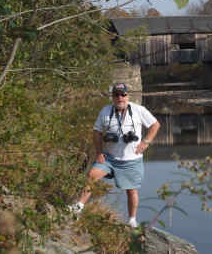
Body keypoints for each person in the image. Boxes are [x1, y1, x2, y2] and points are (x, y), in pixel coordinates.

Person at [69, 83, 160, 228]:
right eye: (116, 95)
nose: (120, 98)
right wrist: (99, 153)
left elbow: (155, 125)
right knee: (92, 175)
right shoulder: (105, 111)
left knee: (131, 191)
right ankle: (78, 207)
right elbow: (97, 132)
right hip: (109, 158)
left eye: (123, 94)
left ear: (128, 96)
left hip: (131, 160)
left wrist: (146, 142)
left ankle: (131, 220)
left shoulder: (138, 110)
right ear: (112, 97)